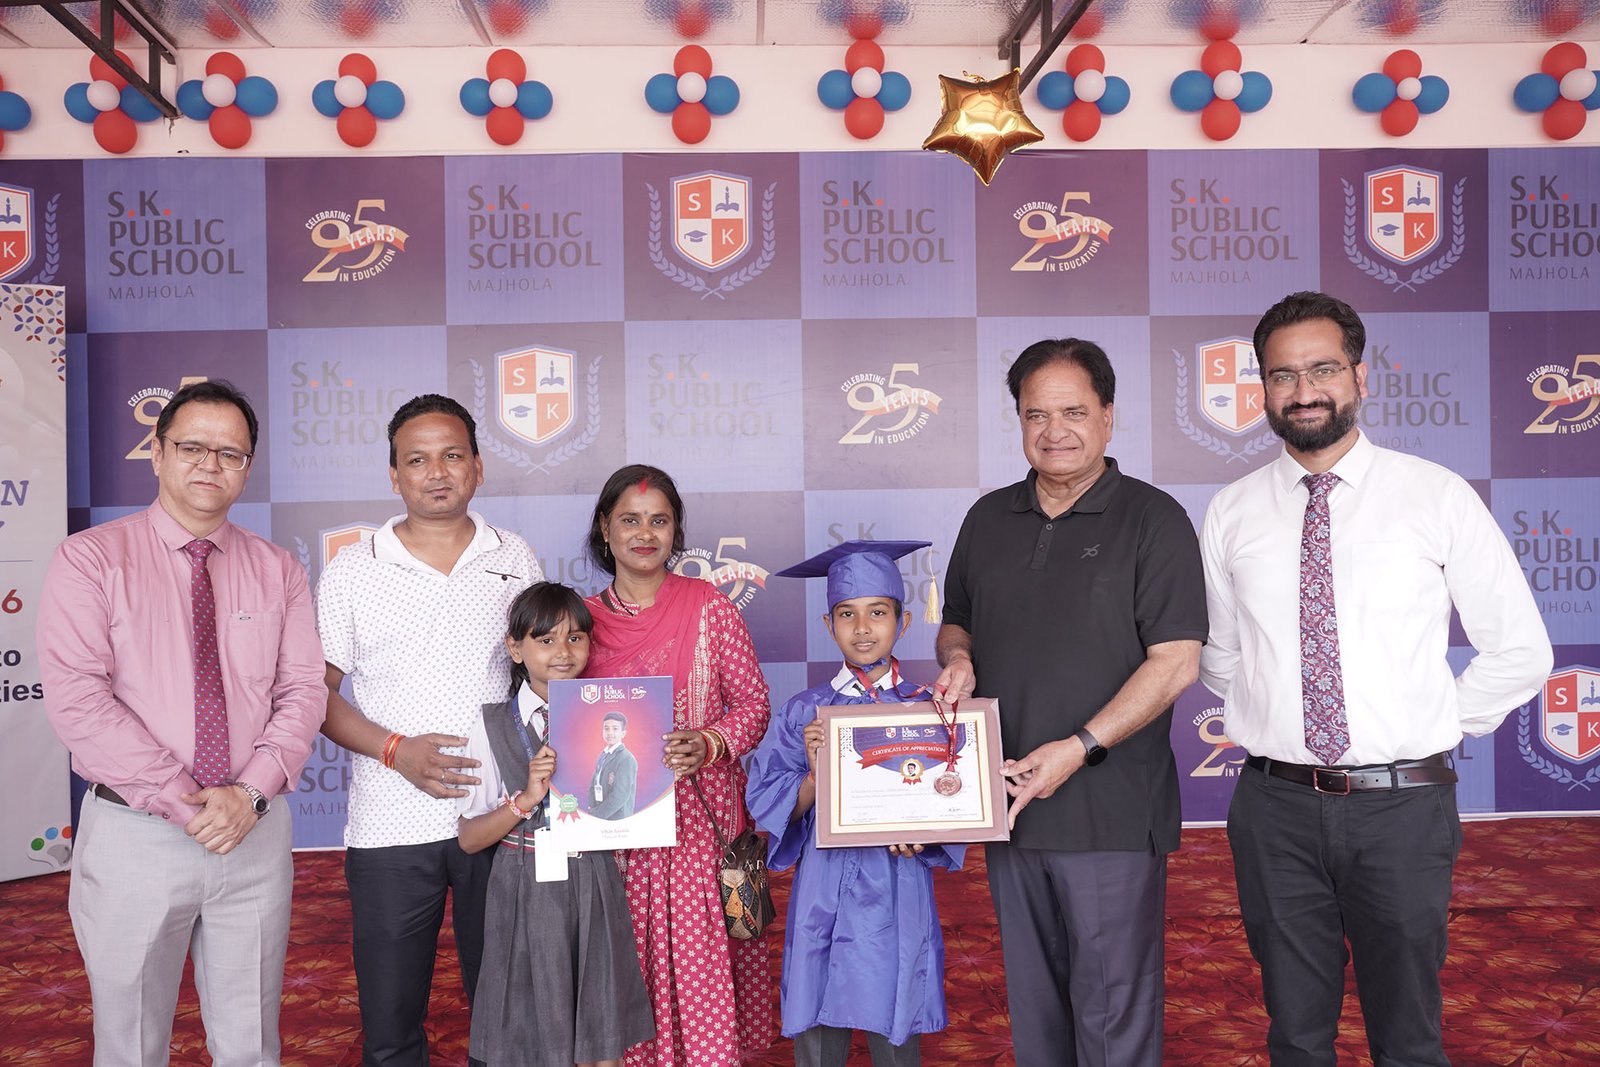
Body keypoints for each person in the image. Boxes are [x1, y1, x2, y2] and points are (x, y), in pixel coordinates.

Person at [1198, 291, 1553, 1066]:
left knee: (1408, 1037)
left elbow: (1521, 650)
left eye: (1323, 369)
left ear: (1360, 376)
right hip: (1275, 810)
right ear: (1263, 389)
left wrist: (1429, 723)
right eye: (1283, 375)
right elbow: (1220, 656)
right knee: (1295, 1035)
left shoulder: (1435, 495)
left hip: (1403, 810)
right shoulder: (1230, 511)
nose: (1304, 391)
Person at [933, 339, 1208, 1067]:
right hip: (1008, 807)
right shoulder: (988, 517)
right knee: (1036, 1018)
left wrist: (1080, 747)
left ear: (1109, 416)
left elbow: (1176, 663)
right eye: (1037, 414)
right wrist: (957, 658)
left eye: (1075, 412)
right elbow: (956, 620)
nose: (1055, 431)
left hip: (1109, 814)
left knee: (1112, 1018)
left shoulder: (1154, 518)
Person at [37, 379, 325, 1066]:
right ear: (158, 452)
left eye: (230, 453)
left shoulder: (278, 569)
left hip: (252, 833)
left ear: (247, 467)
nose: (209, 464)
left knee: (251, 1045)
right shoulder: (91, 558)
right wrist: (183, 798)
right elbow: (79, 699)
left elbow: (302, 690)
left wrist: (249, 794)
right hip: (137, 834)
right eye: (192, 446)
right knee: (131, 1046)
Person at [317, 394, 542, 1066]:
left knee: (508, 1019)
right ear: (394, 475)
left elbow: (546, 675)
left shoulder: (515, 556)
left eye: (452, 455)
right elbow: (314, 695)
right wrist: (396, 751)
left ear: (478, 466)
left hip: (501, 819)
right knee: (390, 1027)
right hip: (390, 825)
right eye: (417, 460)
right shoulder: (354, 568)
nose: (436, 472)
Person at [581, 464, 773, 1067]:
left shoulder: (711, 608)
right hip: (614, 835)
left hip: (700, 829)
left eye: (659, 521)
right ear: (604, 529)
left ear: (676, 531)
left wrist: (709, 743)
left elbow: (754, 706)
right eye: (630, 520)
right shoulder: (579, 624)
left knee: (699, 967)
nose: (645, 534)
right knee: (622, 968)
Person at [747, 540, 965, 1067]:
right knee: (818, 1008)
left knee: (897, 1010)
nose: (863, 628)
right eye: (847, 614)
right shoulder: (804, 711)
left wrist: (928, 832)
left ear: (903, 622)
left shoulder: (931, 710)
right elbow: (767, 802)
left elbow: (952, 796)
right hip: (823, 883)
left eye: (878, 613)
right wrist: (814, 777)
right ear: (829, 625)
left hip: (898, 880)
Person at [457, 581, 654, 1067]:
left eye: (575, 638)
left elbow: (630, 802)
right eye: (545, 640)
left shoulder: (615, 717)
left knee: (600, 1029)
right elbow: (469, 839)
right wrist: (526, 799)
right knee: (529, 1029)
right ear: (515, 649)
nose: (563, 652)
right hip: (522, 884)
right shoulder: (491, 725)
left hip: (593, 878)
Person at [587, 711, 638, 820]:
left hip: (617, 818)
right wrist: (591, 807)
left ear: (623, 733)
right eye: (606, 728)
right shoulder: (603, 754)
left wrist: (596, 815)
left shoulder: (626, 758)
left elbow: (620, 796)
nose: (610, 732)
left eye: (615, 729)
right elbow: (594, 782)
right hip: (599, 812)